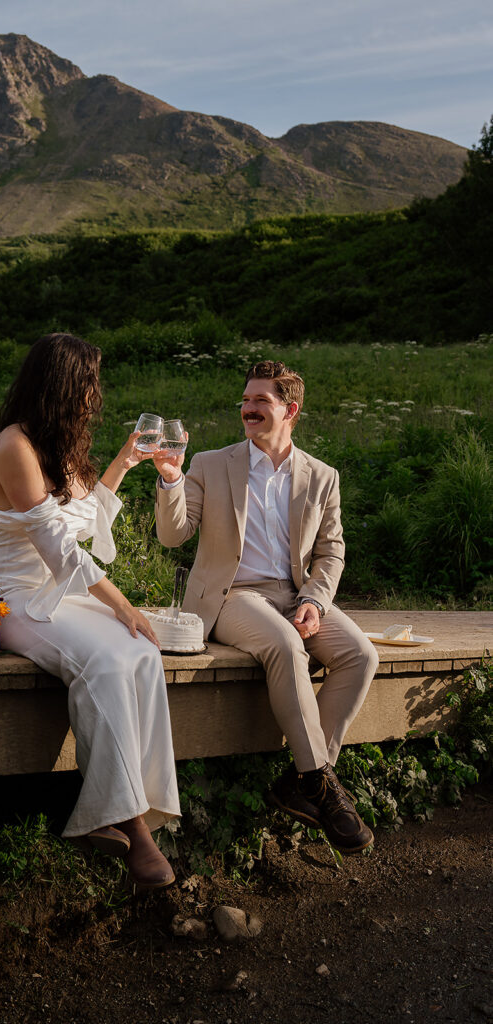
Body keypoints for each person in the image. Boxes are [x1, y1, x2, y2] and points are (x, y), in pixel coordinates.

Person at [0, 333, 179, 888]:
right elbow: (59, 549)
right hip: (11, 597)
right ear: (62, 384)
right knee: (105, 660)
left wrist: (125, 460)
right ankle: (125, 820)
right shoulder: (15, 446)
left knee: (141, 651)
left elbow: (84, 520)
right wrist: (123, 604)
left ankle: (139, 804)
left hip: (60, 594)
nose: (96, 395)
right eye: (89, 382)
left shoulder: (59, 445)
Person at [153, 359, 379, 853]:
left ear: (290, 410)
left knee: (362, 655)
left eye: (261, 400)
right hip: (232, 596)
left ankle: (302, 782)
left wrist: (315, 600)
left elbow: (331, 551)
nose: (248, 408)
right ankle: (320, 784)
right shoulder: (211, 464)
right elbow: (173, 536)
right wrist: (170, 480)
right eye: (245, 400)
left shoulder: (322, 476)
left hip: (296, 594)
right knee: (285, 645)